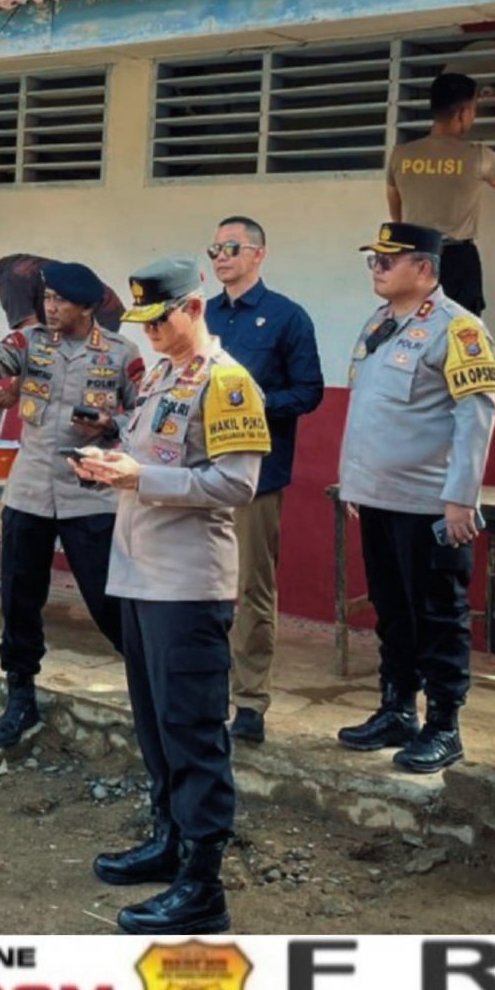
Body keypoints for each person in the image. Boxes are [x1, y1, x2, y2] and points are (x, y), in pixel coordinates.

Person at [71, 258, 269, 935]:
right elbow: (148, 456)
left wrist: (141, 479)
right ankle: (170, 840)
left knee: (192, 729)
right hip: (139, 574)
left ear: (195, 306)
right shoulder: (160, 375)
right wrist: (110, 461)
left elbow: (236, 484)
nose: (151, 332)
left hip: (186, 584)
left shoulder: (227, 382)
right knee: (156, 726)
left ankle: (203, 883)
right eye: (144, 322)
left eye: (161, 320)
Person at [336, 222, 495, 775]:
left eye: (389, 260)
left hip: (430, 503)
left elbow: (476, 417)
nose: (378, 269)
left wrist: (461, 498)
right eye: (374, 260)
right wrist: (355, 483)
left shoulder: (459, 329)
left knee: (438, 617)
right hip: (378, 497)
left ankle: (444, 726)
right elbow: (370, 407)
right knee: (392, 612)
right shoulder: (380, 322)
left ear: (425, 269)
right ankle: (397, 709)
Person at [0, 263, 142, 749]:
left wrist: (109, 426)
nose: (51, 307)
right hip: (31, 491)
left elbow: (143, 414)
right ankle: (20, 698)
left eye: (61, 301)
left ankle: (153, 688)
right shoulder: (31, 341)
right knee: (19, 599)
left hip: (90, 495)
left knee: (110, 601)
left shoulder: (122, 353)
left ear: (87, 307)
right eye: (48, 298)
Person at [202, 216, 323, 744]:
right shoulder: (201, 315)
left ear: (258, 254)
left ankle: (250, 700)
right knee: (196, 581)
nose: (220, 258)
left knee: (251, 586)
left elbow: (309, 391)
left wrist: (252, 406)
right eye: (214, 249)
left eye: (231, 248)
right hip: (198, 470)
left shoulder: (286, 317)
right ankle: (204, 686)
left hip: (254, 474)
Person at [385, 74, 495, 315]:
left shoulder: (400, 155)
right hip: (457, 260)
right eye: (473, 109)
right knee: (461, 330)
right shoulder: (477, 156)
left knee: (414, 325)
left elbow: (396, 209)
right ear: (462, 113)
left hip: (413, 256)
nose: (474, 116)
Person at [0, 249, 131, 411]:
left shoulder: (9, 283)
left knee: (70, 375)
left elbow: (32, 345)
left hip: (99, 313)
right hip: (107, 307)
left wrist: (14, 392)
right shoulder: (8, 266)